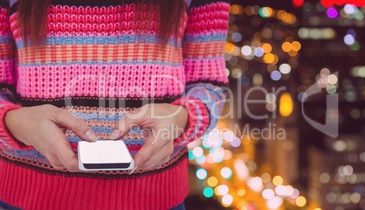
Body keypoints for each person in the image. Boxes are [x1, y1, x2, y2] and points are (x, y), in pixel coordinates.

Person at [0, 0, 229, 209]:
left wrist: (182, 119)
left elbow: (209, 85)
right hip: (27, 195)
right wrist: (16, 123)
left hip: (155, 197)